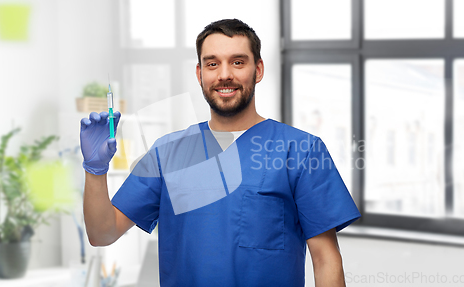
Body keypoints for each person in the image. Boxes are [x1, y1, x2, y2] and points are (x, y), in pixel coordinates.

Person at [80, 19, 360, 287]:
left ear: (258, 70)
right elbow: (102, 233)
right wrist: (95, 169)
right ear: (200, 74)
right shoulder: (166, 153)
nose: (225, 74)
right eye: (212, 64)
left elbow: (325, 259)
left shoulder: (301, 150)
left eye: (238, 62)